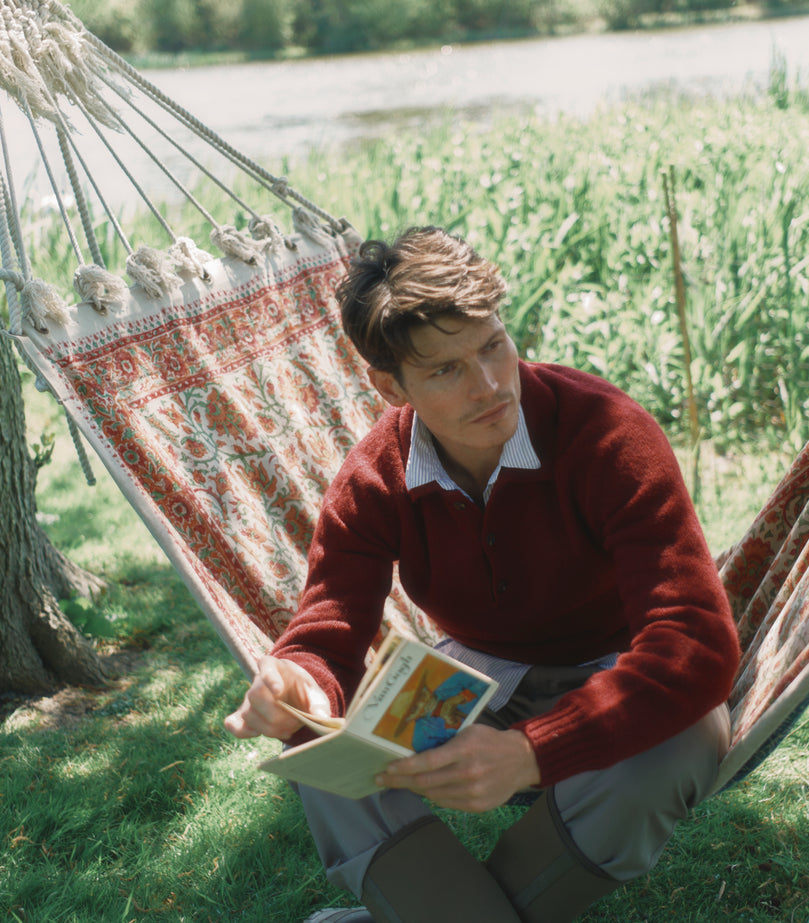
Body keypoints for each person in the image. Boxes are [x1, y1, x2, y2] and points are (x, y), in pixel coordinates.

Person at [224, 226, 740, 923]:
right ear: (388, 385)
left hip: (619, 667)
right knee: (314, 741)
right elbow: (327, 632)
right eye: (445, 370)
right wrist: (298, 680)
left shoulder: (609, 435)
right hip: (470, 681)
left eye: (492, 345)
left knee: (683, 743)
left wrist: (530, 754)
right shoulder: (374, 478)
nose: (492, 384)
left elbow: (696, 647)